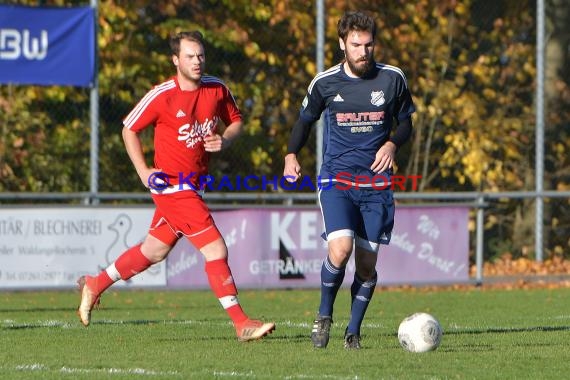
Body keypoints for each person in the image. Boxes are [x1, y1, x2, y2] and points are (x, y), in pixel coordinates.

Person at [77, 30, 275, 342]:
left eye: (200, 55)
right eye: (189, 56)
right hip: (171, 187)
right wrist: (143, 171)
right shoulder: (162, 95)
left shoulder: (217, 89)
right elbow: (129, 128)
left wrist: (225, 139)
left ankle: (95, 283)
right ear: (175, 60)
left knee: (153, 252)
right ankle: (241, 323)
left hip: (195, 186)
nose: (197, 61)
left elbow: (236, 121)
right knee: (216, 248)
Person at [283, 11, 415, 349]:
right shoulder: (325, 82)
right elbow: (304, 121)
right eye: (356, 45)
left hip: (376, 185)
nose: (363, 52)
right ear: (343, 44)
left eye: (369, 45)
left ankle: (353, 332)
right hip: (336, 179)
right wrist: (291, 155)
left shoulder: (392, 78)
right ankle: (324, 315)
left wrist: (391, 143)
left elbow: (405, 124)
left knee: (367, 265)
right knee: (340, 250)